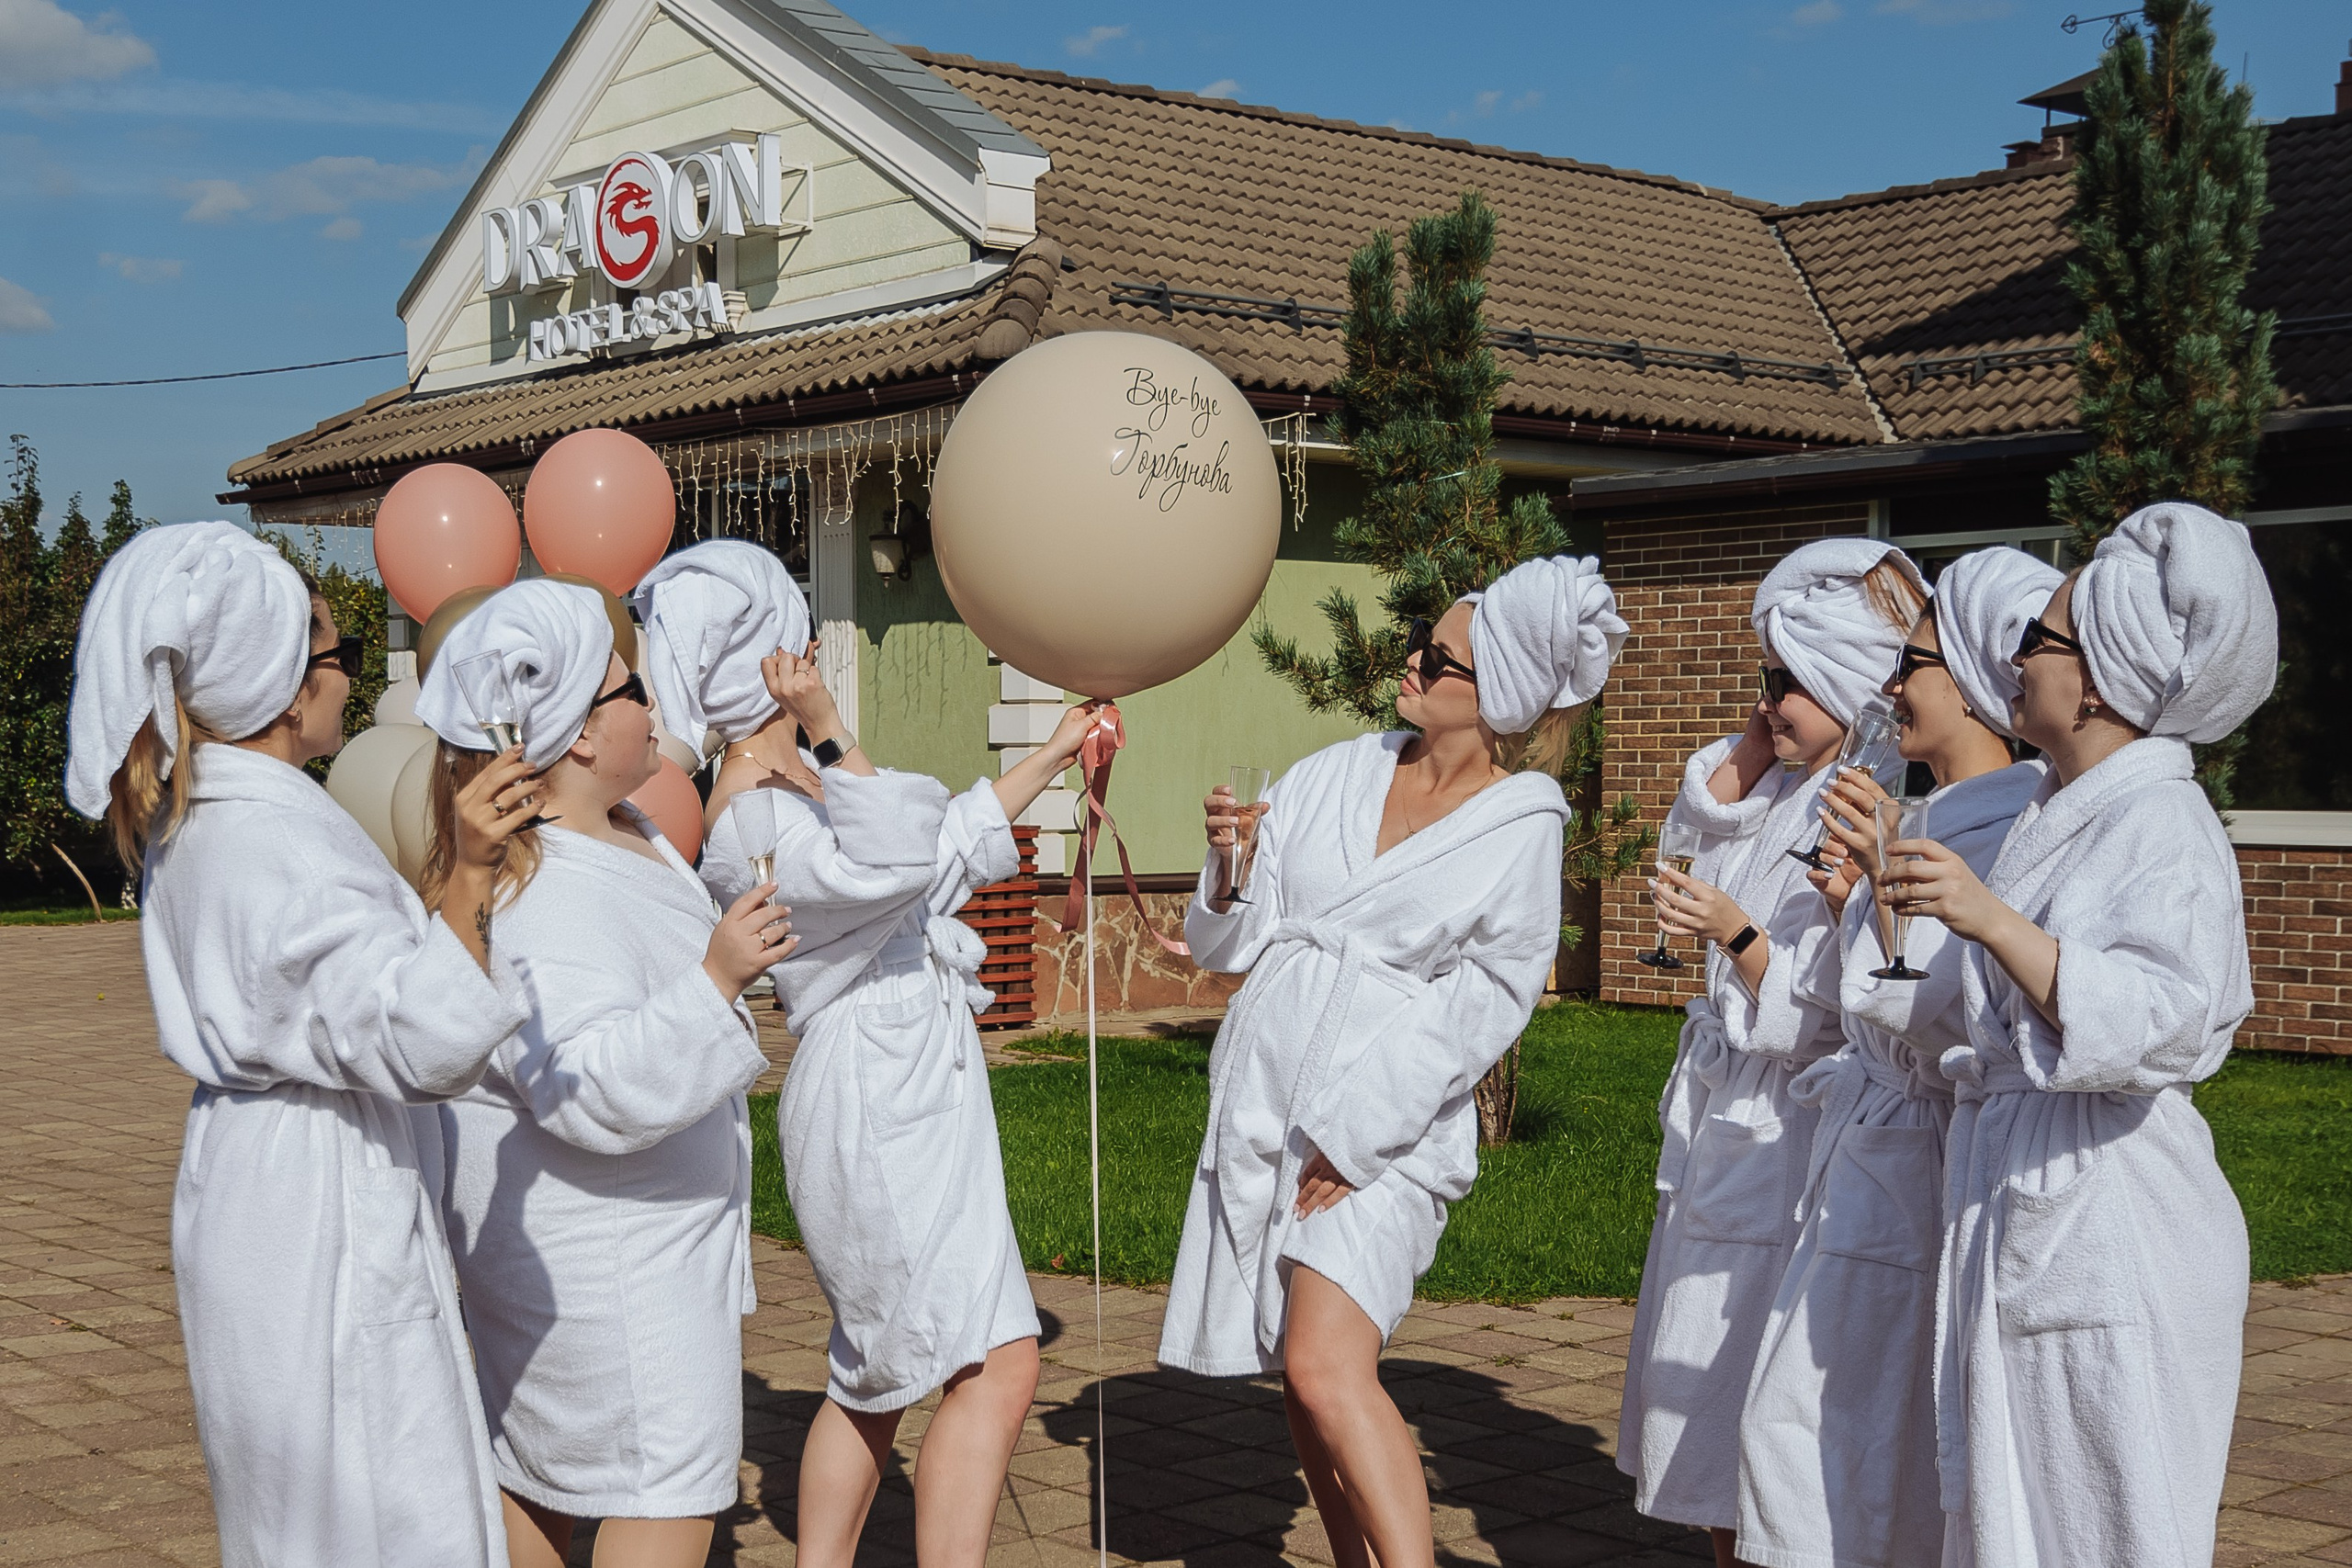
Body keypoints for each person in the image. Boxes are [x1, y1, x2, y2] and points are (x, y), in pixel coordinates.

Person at [63, 521, 540, 1567]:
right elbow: (416, 1042)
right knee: (373, 1499)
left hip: (261, 1184)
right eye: (337, 658)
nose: (348, 681)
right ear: (285, 688)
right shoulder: (269, 843)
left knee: (303, 1509)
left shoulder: (222, 821)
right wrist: (468, 873)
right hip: (317, 1201)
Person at [1159, 555, 1625, 1568]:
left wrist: (1356, 1130)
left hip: (1394, 1122)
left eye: (1438, 654)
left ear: (1492, 693)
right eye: (1419, 637)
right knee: (1299, 1369)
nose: (1408, 657)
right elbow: (1231, 949)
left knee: (1329, 1364)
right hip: (1274, 1101)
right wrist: (1228, 871)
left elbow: (1486, 1001)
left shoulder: (1520, 827)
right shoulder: (1334, 772)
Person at [646, 539, 1094, 1568]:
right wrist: (833, 730)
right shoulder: (752, 814)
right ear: (766, 660)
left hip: (909, 1089)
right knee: (991, 1362)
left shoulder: (792, 784)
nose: (813, 654)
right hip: (875, 1098)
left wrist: (1052, 753)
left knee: (876, 1377)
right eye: (794, 639)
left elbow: (926, 864)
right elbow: (894, 861)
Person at [1877, 503, 2275, 1568]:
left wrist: (1991, 919)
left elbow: (2167, 1017)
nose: (2013, 658)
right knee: (2019, 1520)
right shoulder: (2059, 808)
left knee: (2109, 1523)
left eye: (2040, 641)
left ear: (2097, 678)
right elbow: (1974, 1010)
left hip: (2116, 1224)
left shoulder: (2161, 824)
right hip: (2034, 1202)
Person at [416, 578, 797, 1568]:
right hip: (615, 1273)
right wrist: (714, 979)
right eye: (630, 692)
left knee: (541, 1484)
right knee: (662, 1487)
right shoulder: (540, 890)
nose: (653, 708)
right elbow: (581, 1088)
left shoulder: (631, 832)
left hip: (634, 1251)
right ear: (580, 733)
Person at [1732, 547, 2060, 1568]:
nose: (1888, 687)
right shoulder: (1923, 811)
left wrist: (1876, 890)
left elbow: (1963, 1020)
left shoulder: (2016, 827)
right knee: (1799, 1452)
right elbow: (1858, 998)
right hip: (1863, 1147)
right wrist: (1851, 902)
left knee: (1829, 1454)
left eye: (1911, 663)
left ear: (1966, 678)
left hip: (1918, 1161)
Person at [1619, 536, 1926, 1568]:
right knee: (1706, 1414)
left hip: (1786, 1139)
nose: (1766, 704)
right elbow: (1697, 814)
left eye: (1785, 684)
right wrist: (1762, 736)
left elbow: (1833, 1012)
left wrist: (1735, 936)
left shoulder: (1861, 807)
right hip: (1726, 1128)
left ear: (1843, 681)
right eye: (1763, 680)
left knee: (1755, 1418)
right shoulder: (1795, 783)